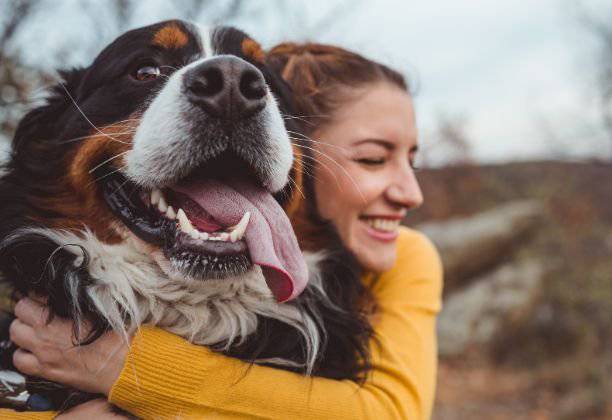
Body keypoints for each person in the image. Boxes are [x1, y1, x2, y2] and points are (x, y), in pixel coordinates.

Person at [3, 43, 442, 419]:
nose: (413, 193)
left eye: (412, 160)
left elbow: (390, 411)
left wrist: (121, 366)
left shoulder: (409, 255)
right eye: (371, 159)